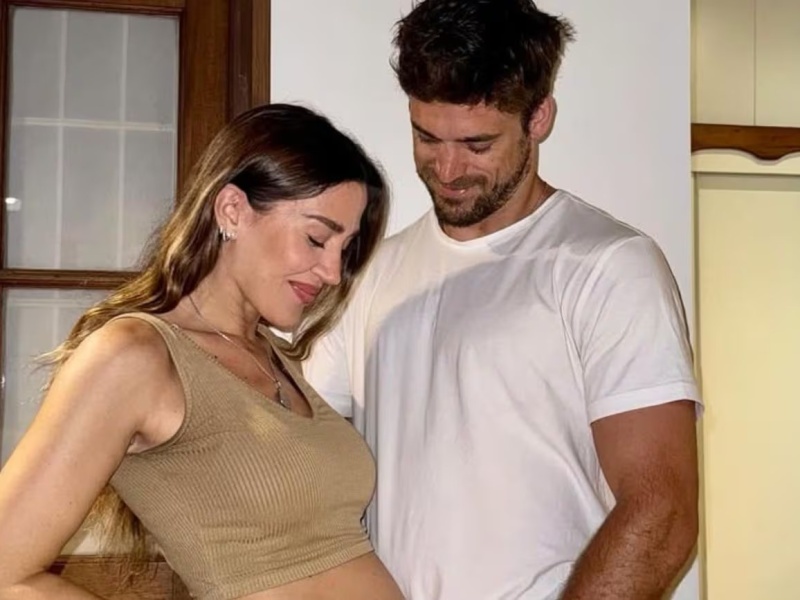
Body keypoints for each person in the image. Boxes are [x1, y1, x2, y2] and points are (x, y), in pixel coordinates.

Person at [303, 1, 701, 599]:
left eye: (477, 143)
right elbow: (310, 481)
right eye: (426, 137)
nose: (447, 168)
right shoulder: (367, 275)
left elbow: (662, 513)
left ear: (539, 117)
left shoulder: (608, 267)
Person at [0, 103, 405, 600]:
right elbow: (6, 573)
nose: (333, 273)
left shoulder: (276, 357)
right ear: (232, 210)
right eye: (316, 238)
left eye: (345, 249)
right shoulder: (134, 355)